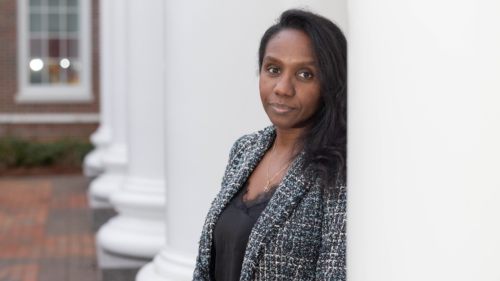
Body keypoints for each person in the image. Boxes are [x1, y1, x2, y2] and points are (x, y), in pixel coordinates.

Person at [194, 9, 347, 281]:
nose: (282, 88)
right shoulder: (245, 150)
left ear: (330, 83)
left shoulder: (338, 170)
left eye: (305, 74)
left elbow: (334, 273)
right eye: (273, 69)